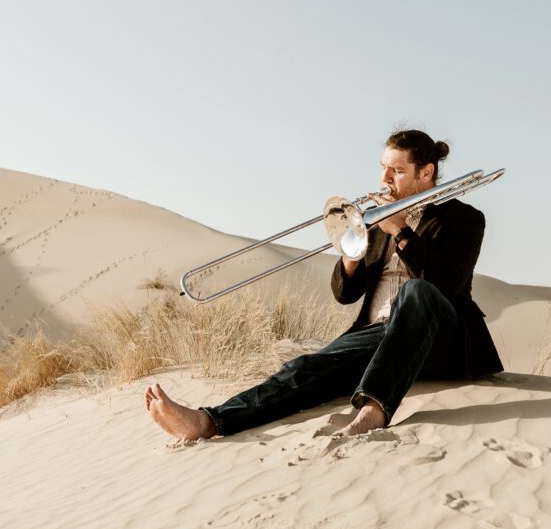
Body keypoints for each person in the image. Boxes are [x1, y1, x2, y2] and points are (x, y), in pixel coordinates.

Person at [145, 129, 503, 441]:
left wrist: (403, 232)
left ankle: (373, 410)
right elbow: (345, 295)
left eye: (396, 171)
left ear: (426, 172)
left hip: (442, 340)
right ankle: (208, 421)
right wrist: (352, 249)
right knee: (304, 369)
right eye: (383, 167)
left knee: (417, 291)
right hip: (382, 336)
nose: (384, 179)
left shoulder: (465, 219)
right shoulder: (378, 222)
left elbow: (448, 283)